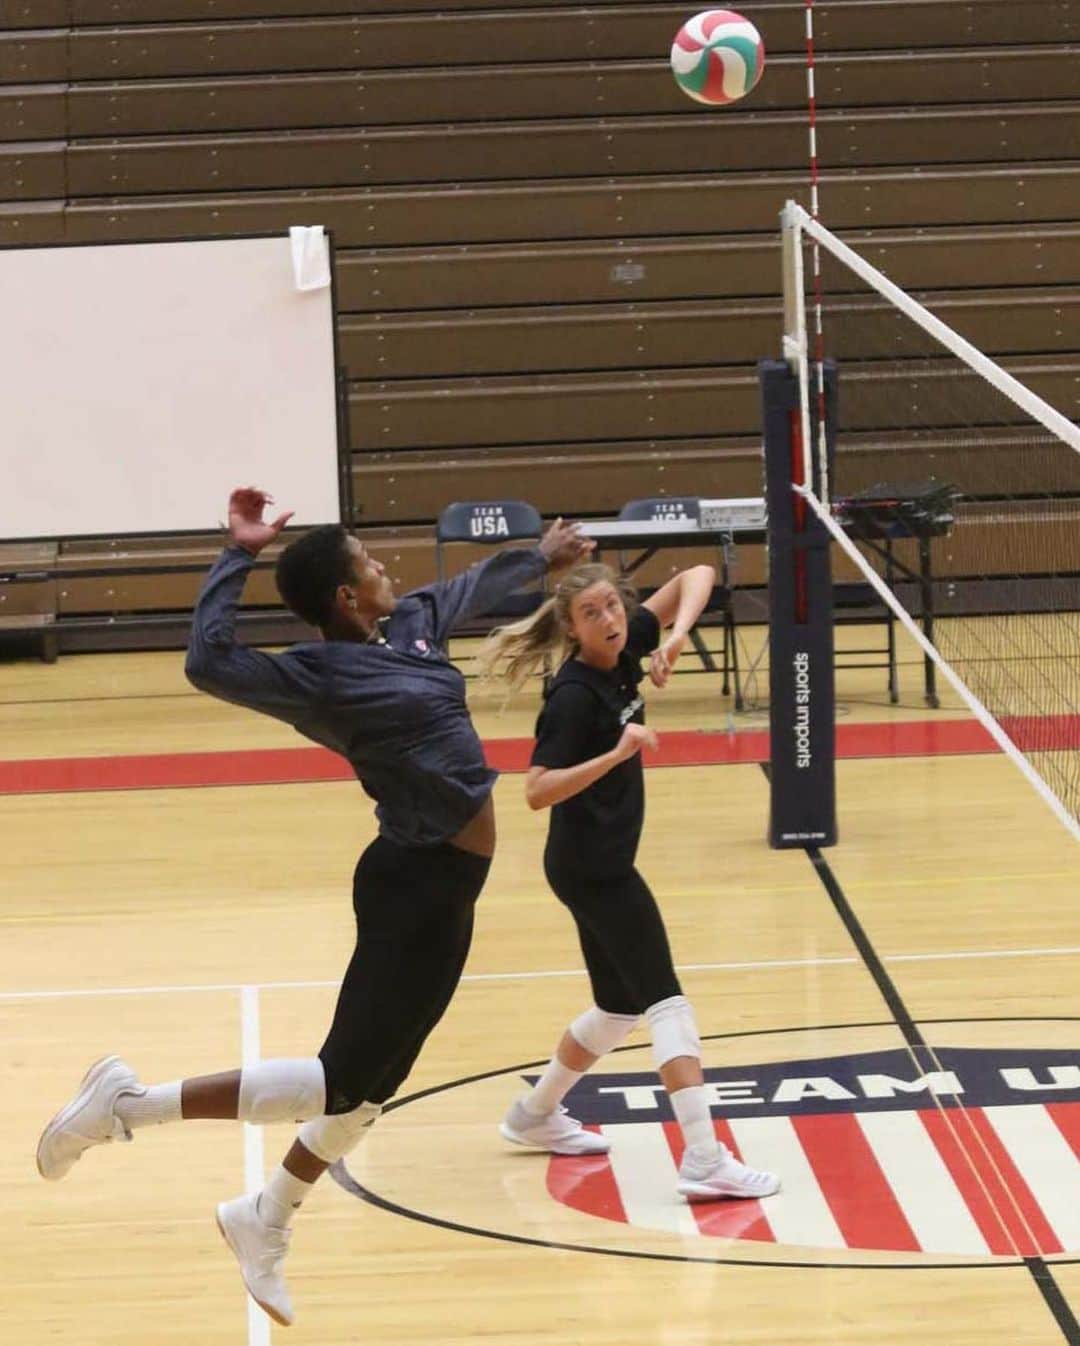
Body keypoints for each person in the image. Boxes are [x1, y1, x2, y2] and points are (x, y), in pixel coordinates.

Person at [36, 487, 593, 1327]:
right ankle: (125, 1107)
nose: (386, 569)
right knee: (341, 1081)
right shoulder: (318, 677)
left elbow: (466, 590)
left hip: (451, 887)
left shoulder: (409, 626)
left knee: (374, 1091)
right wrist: (240, 553)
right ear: (343, 596)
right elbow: (206, 660)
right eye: (370, 564)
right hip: (411, 883)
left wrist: (537, 561)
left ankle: (263, 1219)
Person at [479, 561, 780, 1202]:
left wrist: (674, 638)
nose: (611, 620)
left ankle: (533, 1114)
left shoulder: (627, 645)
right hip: (594, 869)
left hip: (599, 863)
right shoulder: (572, 696)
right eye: (593, 614)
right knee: (666, 1001)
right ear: (571, 627)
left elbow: (700, 573)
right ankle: (702, 1156)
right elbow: (534, 792)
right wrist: (616, 753)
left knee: (618, 1006)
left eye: (614, 606)